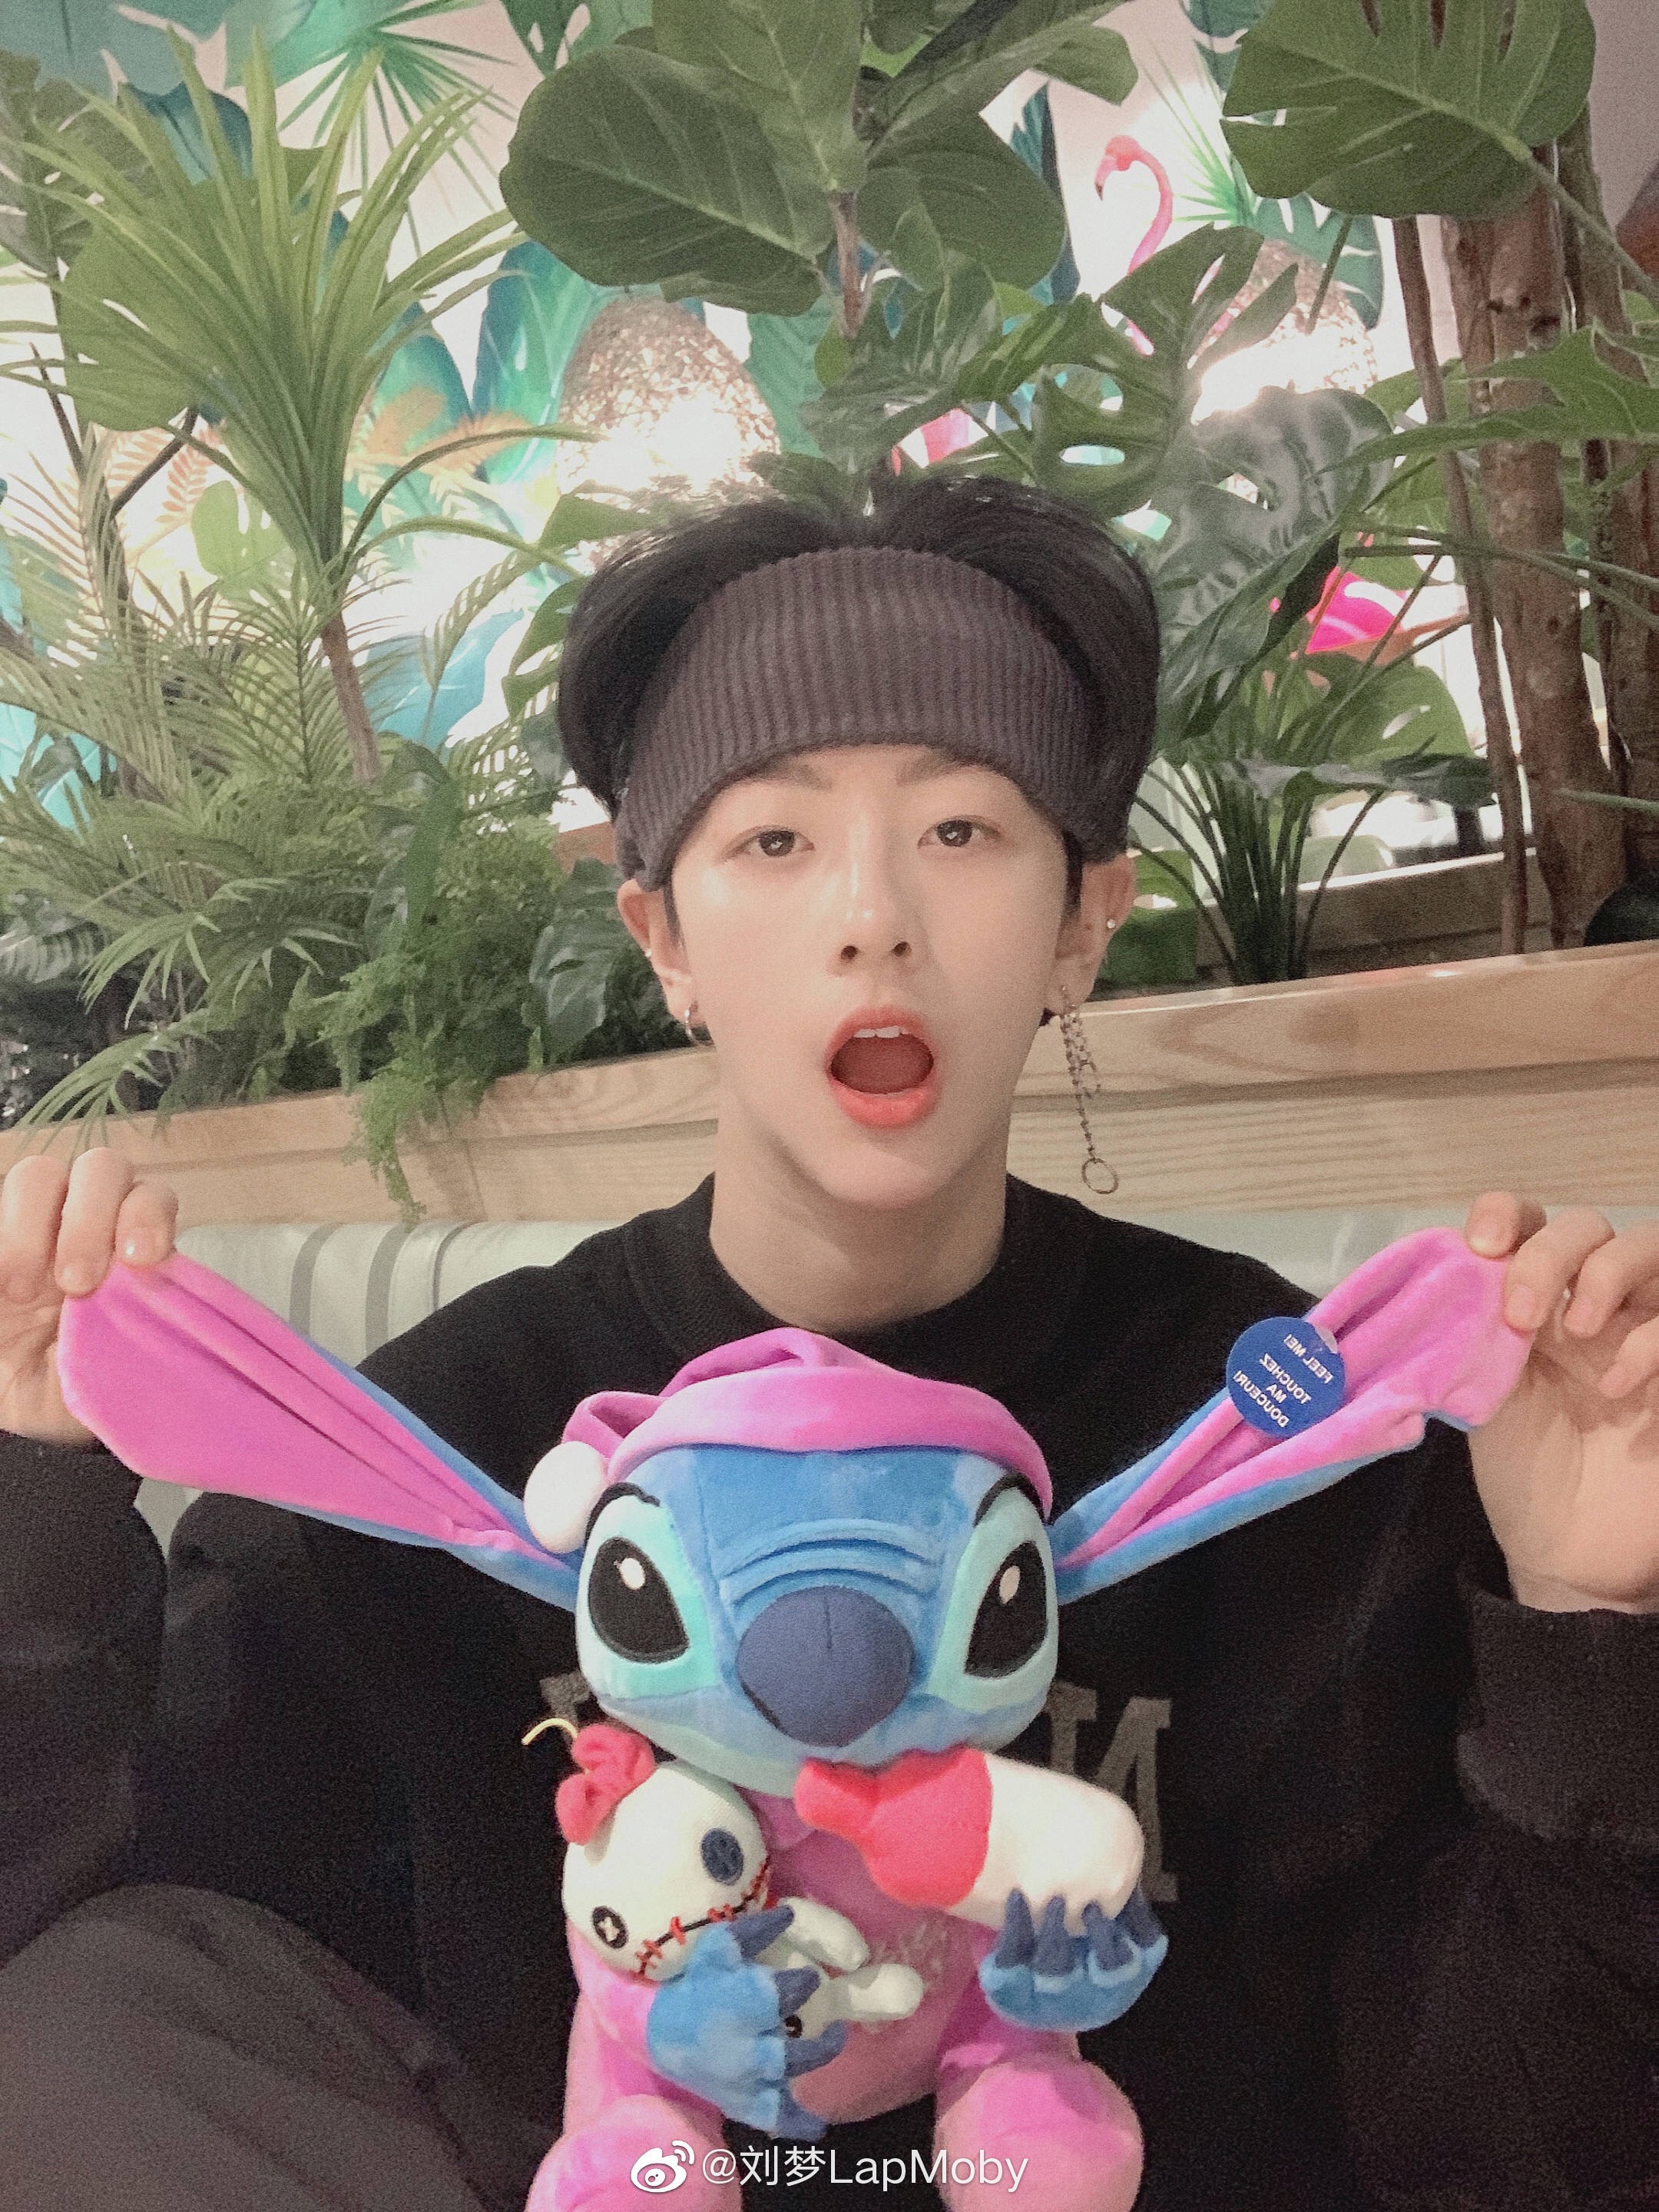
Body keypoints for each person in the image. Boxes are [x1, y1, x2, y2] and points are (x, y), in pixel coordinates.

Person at [0, 475, 1654, 2212]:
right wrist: (33, 1497)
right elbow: (82, 1974)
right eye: (774, 842)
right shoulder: (451, 1445)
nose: (874, 915)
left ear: (1084, 922)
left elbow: (1517, 2146)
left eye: (964, 830)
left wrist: (1590, 1628)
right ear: (664, 939)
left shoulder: (1286, 1436)